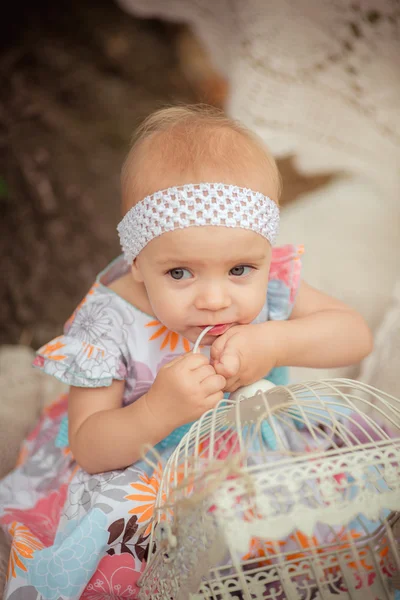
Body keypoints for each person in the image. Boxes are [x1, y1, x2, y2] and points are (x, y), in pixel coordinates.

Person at [0, 105, 372, 599]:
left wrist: (275, 340)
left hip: (249, 443)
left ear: (263, 253)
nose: (215, 299)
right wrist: (158, 410)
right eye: (180, 273)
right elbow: (90, 446)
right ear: (138, 262)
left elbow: (354, 335)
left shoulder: (273, 278)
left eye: (240, 269)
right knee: (119, 535)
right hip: (141, 459)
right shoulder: (107, 321)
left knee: (323, 506)